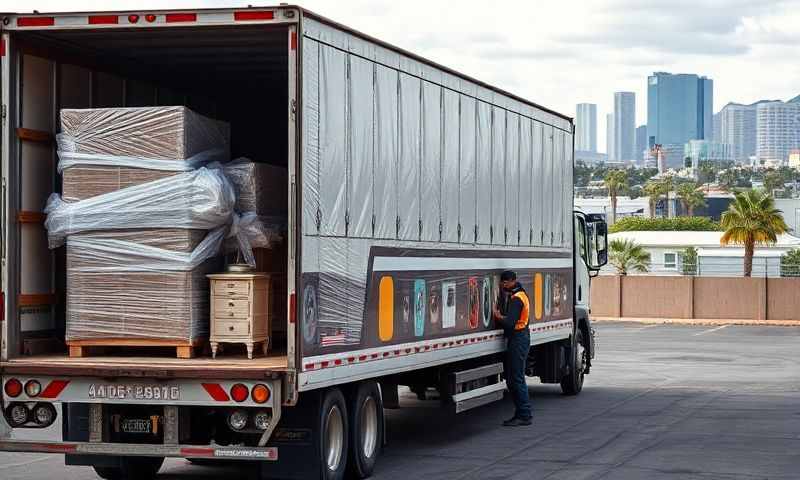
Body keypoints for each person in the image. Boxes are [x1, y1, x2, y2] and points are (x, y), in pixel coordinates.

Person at [492, 270, 532, 426]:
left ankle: (524, 414)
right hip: (520, 337)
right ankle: (522, 413)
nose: (503, 285)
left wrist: (498, 316)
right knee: (513, 378)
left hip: (518, 338)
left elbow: (510, 322)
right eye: (502, 282)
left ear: (513, 281)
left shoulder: (517, 299)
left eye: (505, 282)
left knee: (516, 378)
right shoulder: (521, 294)